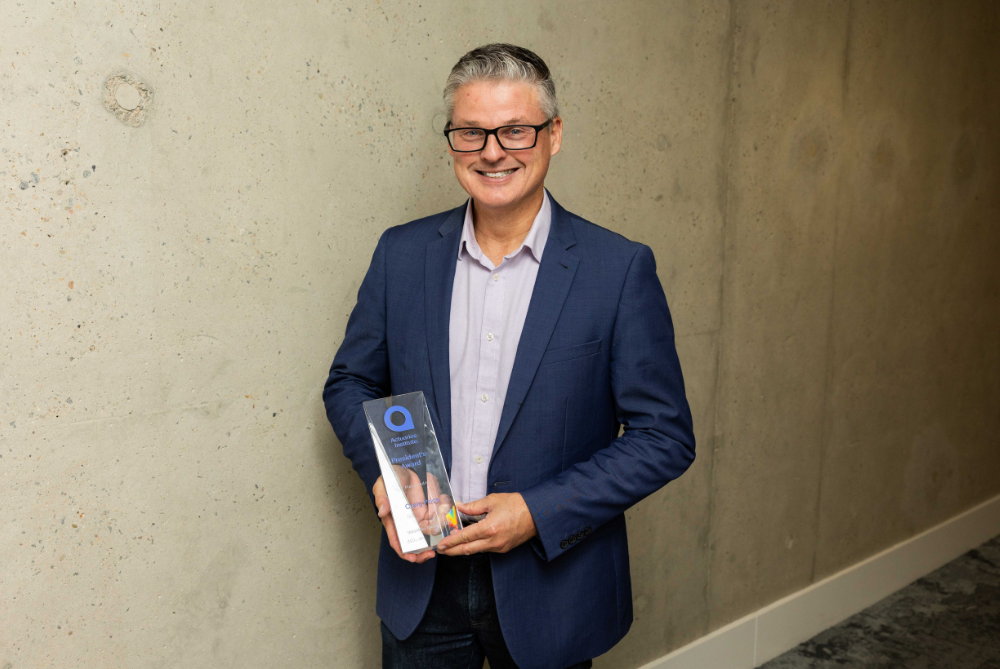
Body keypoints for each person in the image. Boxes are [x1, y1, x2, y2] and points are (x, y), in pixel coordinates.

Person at [323, 43, 696, 669]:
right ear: (451, 144)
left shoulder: (618, 269)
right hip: (423, 581)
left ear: (554, 135)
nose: (492, 151)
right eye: (471, 133)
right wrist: (387, 477)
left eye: (515, 130)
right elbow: (351, 380)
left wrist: (535, 512)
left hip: (552, 586)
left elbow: (664, 437)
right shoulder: (401, 255)